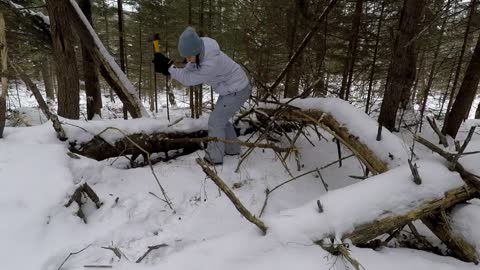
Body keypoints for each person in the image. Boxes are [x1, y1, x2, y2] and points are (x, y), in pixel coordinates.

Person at [154, 27, 251, 165]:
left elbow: (189, 79)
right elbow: (188, 71)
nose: (187, 60)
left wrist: (170, 68)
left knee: (215, 122)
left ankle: (214, 158)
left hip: (238, 89)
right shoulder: (200, 48)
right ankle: (232, 149)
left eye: (189, 57)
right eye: (186, 57)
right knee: (221, 119)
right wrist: (170, 68)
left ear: (197, 52)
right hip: (230, 88)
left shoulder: (210, 63)